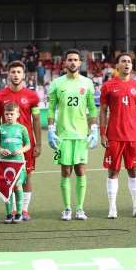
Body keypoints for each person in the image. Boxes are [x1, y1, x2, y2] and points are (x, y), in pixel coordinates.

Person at [47, 50, 99, 221]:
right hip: (63, 136)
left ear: (80, 63)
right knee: (65, 171)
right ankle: (67, 208)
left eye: (76, 60)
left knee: (81, 171)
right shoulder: (56, 83)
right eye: (70, 60)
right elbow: (51, 108)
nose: (73, 62)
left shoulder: (88, 83)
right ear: (65, 62)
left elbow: (92, 108)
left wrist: (94, 129)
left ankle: (80, 209)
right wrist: (50, 130)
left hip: (81, 135)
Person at [100, 53, 136, 219]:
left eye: (129, 61)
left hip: (133, 136)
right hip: (114, 135)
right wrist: (102, 133)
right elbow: (103, 111)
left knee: (133, 171)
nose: (127, 64)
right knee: (113, 172)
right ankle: (112, 208)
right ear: (117, 66)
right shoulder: (108, 86)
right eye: (123, 61)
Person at [0, 61, 41, 221]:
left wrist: (38, 144)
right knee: (8, 177)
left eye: (19, 72)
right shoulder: (0, 96)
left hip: (25, 146)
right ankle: (12, 210)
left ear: (24, 75)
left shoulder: (32, 96)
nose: (15, 75)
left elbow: (36, 120)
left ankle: (24, 210)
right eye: (13, 72)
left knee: (27, 176)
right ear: (8, 74)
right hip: (6, 146)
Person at [0, 103, 31, 224]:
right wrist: (1, 150)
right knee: (7, 188)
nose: (9, 116)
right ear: (4, 115)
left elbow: (28, 145)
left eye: (12, 114)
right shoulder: (1, 129)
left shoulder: (22, 129)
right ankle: (9, 214)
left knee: (18, 186)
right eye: (7, 114)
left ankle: (19, 213)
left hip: (19, 164)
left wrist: (20, 150)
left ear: (18, 114)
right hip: (5, 164)